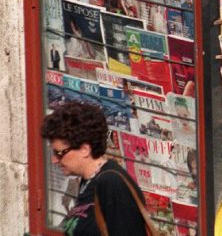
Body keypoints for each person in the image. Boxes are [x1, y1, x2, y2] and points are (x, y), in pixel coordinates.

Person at [41, 101, 149, 235]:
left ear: (84, 150)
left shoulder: (111, 183)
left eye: (59, 153)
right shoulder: (88, 181)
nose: (54, 160)